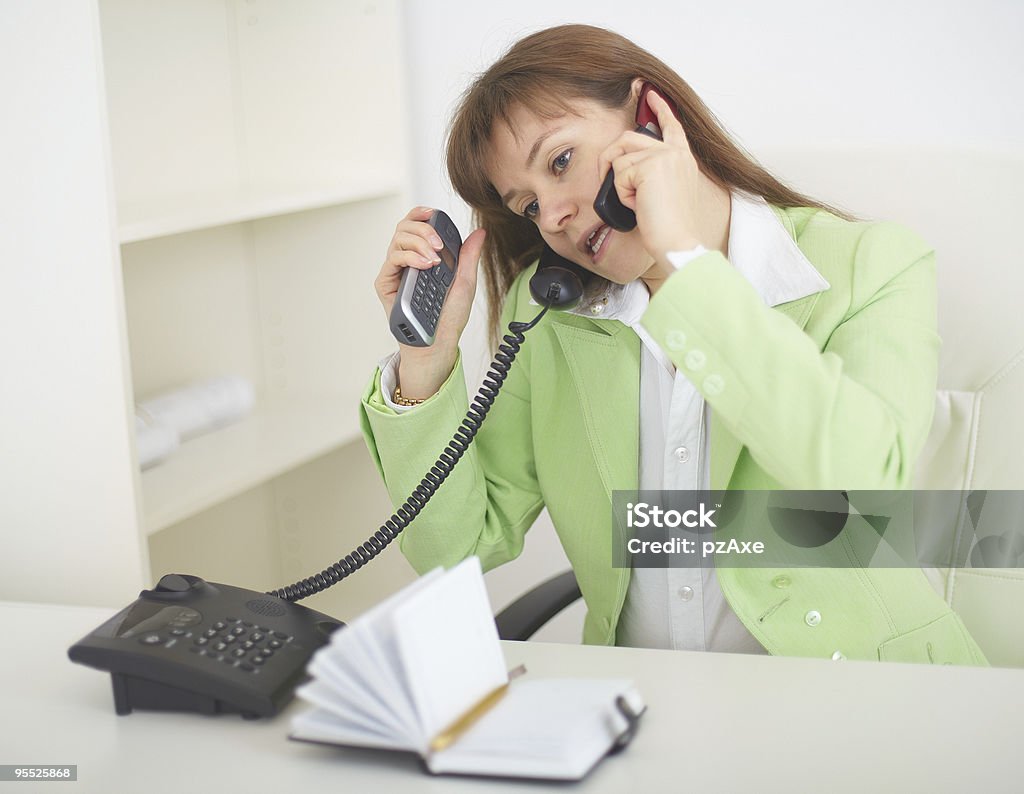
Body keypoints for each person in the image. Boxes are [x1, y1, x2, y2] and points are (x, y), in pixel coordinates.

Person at [359, 24, 986, 665]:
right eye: (527, 207)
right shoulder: (550, 314)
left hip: (866, 702)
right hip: (648, 712)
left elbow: (864, 479)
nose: (550, 217)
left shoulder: (871, 265)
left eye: (560, 161)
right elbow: (457, 546)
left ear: (651, 117)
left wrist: (679, 264)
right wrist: (426, 365)